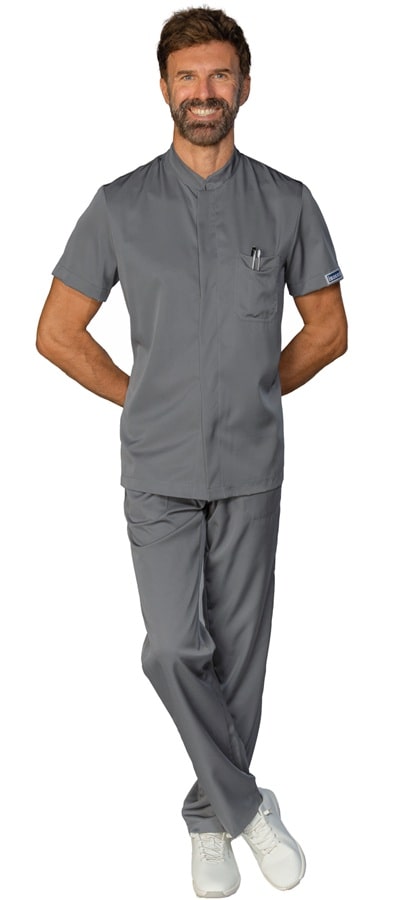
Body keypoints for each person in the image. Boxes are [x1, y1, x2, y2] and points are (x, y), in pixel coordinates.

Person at [36, 6, 348, 896]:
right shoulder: (120, 206)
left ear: (245, 86)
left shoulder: (287, 201)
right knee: (173, 649)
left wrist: (251, 391)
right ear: (164, 87)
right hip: (159, 471)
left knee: (240, 659)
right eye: (188, 76)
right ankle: (246, 807)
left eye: (219, 75)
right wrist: (143, 399)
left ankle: (209, 821)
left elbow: (328, 330)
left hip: (251, 470)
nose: (204, 92)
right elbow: (57, 332)